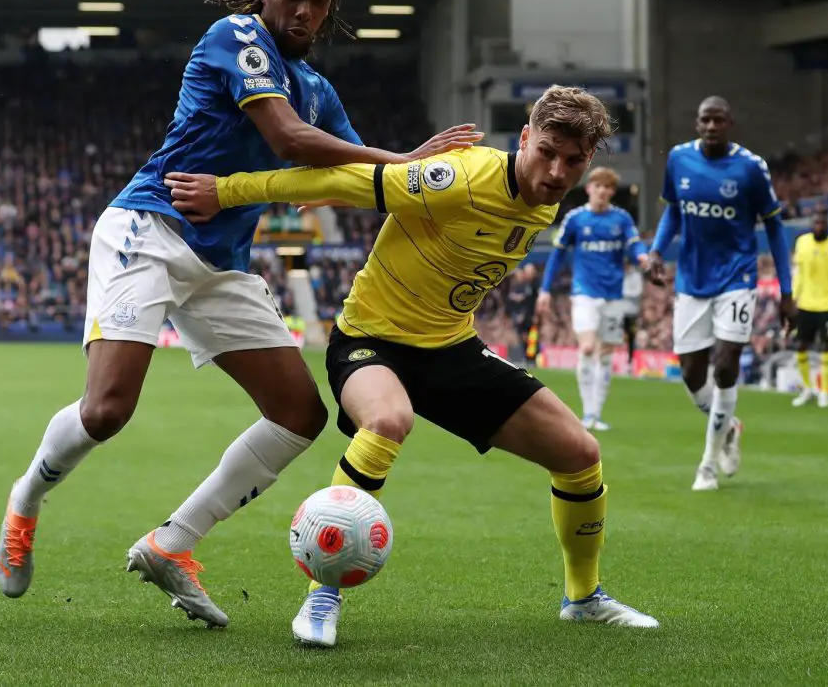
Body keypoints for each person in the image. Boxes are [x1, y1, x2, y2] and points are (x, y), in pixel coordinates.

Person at [0, 0, 480, 627]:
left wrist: (438, 185)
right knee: (107, 410)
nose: (304, 11)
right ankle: (26, 499)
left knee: (300, 414)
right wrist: (402, 161)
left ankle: (172, 542)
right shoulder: (237, 36)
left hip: (221, 264)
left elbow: (348, 178)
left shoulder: (317, 89)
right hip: (150, 229)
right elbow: (288, 138)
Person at [165, 84, 659, 648]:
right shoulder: (464, 176)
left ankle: (584, 598)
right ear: (524, 138)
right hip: (370, 340)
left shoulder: (547, 200)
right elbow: (348, 180)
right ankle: (322, 596)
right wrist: (227, 191)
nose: (555, 171)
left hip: (451, 350)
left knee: (580, 454)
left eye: (573, 161)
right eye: (546, 152)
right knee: (387, 421)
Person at [647, 97, 794, 492]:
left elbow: (775, 227)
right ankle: (729, 427)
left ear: (729, 123)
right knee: (692, 374)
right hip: (691, 280)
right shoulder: (679, 159)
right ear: (697, 124)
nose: (711, 126)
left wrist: (786, 291)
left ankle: (708, 465)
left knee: (726, 366)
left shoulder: (751, 167)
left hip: (737, 277)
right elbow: (673, 211)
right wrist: (657, 250)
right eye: (705, 120)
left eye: (718, 120)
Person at [536, 167, 649, 431]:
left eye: (607, 187)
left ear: (612, 192)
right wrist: (545, 290)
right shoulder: (575, 219)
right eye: (598, 186)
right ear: (589, 188)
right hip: (584, 292)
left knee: (606, 354)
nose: (602, 191)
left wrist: (642, 256)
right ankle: (587, 413)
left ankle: (596, 414)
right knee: (587, 348)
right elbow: (557, 255)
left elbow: (634, 245)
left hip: (613, 295)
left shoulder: (621, 219)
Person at [790, 208, 828, 408]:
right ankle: (808, 389)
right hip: (805, 303)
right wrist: (793, 297)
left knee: (827, 346)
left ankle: (824, 392)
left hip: (827, 304)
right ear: (811, 224)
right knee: (801, 345)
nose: (819, 226)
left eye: (822, 223)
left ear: (827, 225)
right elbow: (798, 273)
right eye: (816, 223)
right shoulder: (802, 242)